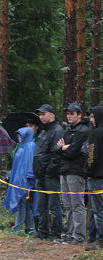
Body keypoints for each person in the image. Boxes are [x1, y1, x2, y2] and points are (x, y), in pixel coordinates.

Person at [54, 102, 89, 244]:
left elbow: (74, 152)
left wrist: (64, 148)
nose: (69, 116)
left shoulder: (84, 131)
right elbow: (56, 148)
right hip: (64, 170)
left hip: (76, 171)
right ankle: (70, 233)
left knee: (77, 204)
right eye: (67, 113)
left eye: (72, 113)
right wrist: (63, 148)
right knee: (67, 204)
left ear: (79, 115)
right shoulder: (66, 129)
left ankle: (79, 235)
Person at [32, 104, 64, 240]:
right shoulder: (43, 131)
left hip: (51, 175)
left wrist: (49, 172)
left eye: (43, 114)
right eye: (39, 114)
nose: (41, 117)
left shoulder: (58, 130)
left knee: (54, 205)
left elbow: (57, 155)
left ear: (52, 114)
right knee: (41, 205)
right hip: (40, 174)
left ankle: (56, 233)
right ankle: (43, 231)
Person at [4, 127, 38, 235]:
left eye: (21, 135)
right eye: (18, 135)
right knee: (25, 205)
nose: (18, 138)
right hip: (17, 181)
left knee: (22, 205)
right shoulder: (21, 147)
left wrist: (28, 179)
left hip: (25, 182)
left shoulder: (30, 147)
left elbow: (30, 165)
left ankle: (17, 228)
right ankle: (30, 228)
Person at [85, 106, 103, 251]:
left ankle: (100, 240)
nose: (91, 120)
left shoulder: (95, 134)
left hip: (97, 177)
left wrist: (88, 170)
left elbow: (91, 154)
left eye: (92, 117)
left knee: (98, 210)